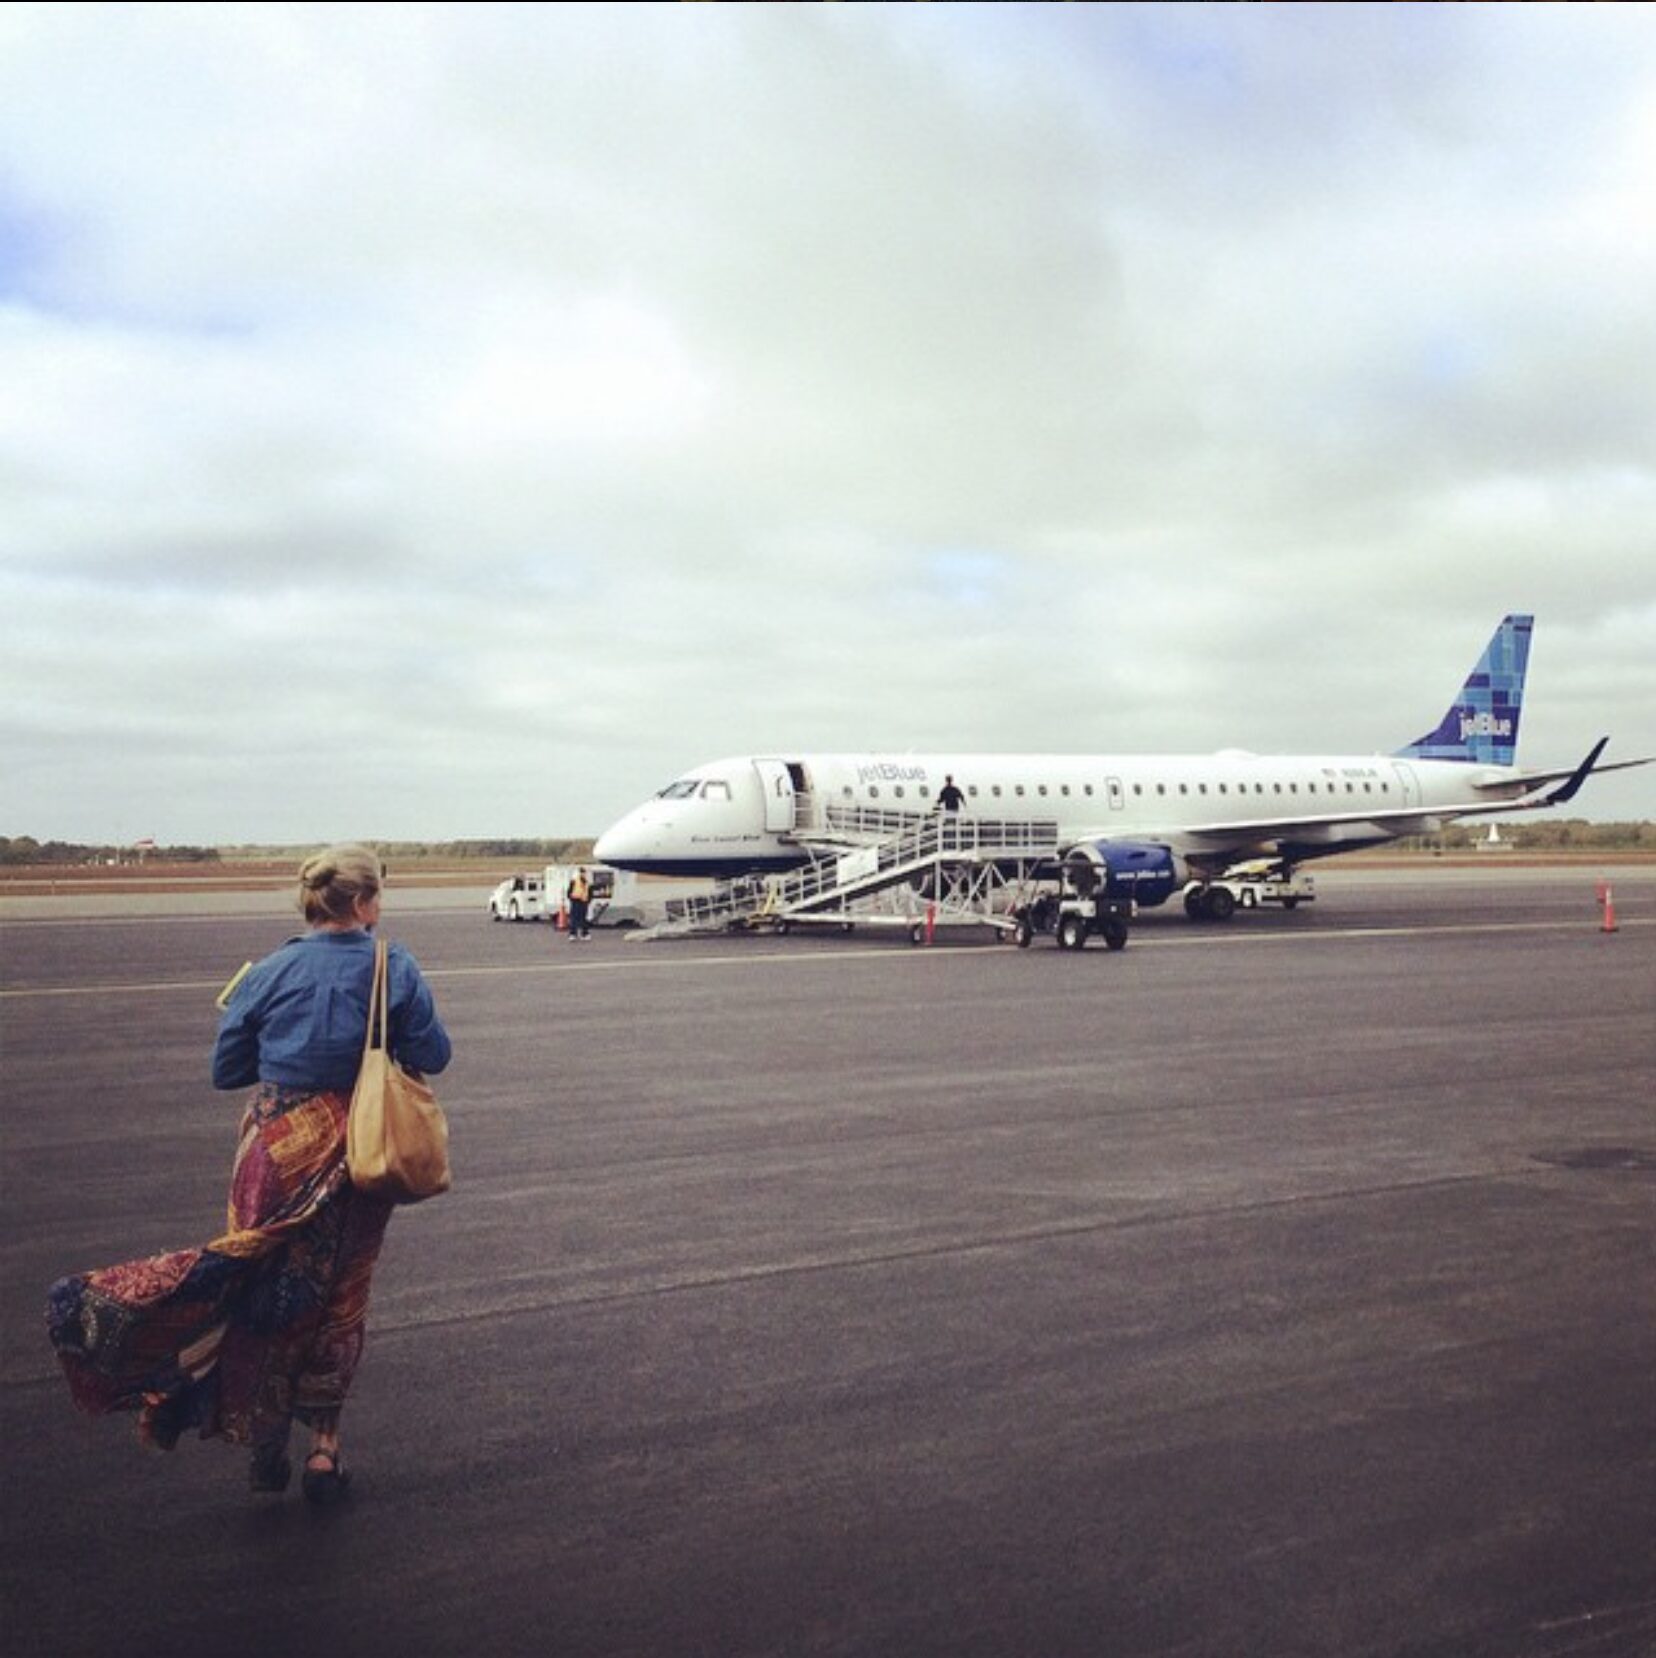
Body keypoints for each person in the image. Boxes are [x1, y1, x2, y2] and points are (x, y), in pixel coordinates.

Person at [45, 844, 452, 1505]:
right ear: (365, 902)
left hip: (271, 1151)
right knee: (339, 1299)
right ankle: (324, 1450)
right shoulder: (393, 965)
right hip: (357, 1150)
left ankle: (262, 1447)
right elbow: (435, 1052)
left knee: (261, 1287)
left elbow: (226, 1071)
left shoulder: (267, 971)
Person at [566, 866, 593, 940]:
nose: (583, 874)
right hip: (575, 901)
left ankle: (585, 934)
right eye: (581, 872)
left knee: (583, 919)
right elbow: (569, 892)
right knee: (574, 919)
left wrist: (588, 901)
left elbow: (590, 893)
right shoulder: (574, 881)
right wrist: (572, 898)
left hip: (584, 902)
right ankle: (573, 934)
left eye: (584, 872)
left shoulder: (587, 882)